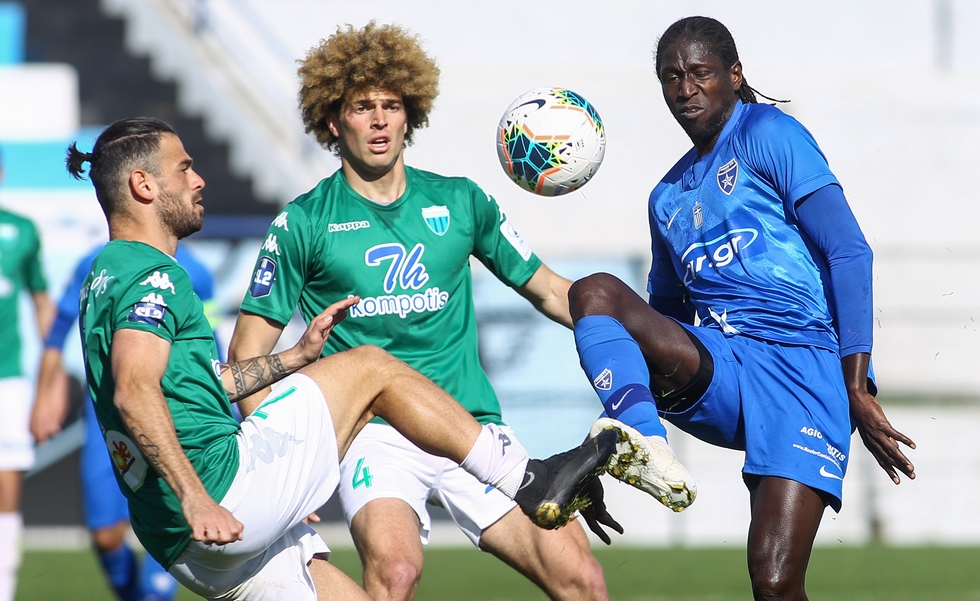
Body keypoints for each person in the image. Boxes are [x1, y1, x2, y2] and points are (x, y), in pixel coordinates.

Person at [66, 116, 614, 601]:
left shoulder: (106, 273)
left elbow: (191, 387)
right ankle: (531, 479)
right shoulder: (156, 276)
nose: (199, 179)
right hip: (218, 494)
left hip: (182, 544)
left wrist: (294, 358)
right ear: (143, 185)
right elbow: (133, 390)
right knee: (372, 366)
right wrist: (197, 499)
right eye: (184, 168)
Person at [227, 22, 623, 601]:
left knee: (581, 579)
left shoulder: (462, 200)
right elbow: (246, 356)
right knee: (395, 575)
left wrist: (637, 337)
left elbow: (550, 292)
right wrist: (279, 467)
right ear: (333, 122)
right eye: (362, 107)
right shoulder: (303, 222)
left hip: (471, 427)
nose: (379, 121)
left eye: (391, 106)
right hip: (373, 438)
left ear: (410, 115)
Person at [569, 16, 917, 601]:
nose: (685, 89)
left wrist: (856, 386)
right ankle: (643, 441)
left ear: (734, 74)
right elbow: (660, 324)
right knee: (594, 292)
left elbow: (849, 251)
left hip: (802, 369)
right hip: (725, 367)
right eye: (671, 77)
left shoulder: (770, 134)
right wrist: (602, 448)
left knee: (774, 583)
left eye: (699, 73)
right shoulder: (666, 197)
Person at [30, 241, 218, 601]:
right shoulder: (95, 263)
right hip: (107, 418)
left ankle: (155, 595)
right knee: (105, 535)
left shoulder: (196, 272)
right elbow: (59, 327)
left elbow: (213, 343)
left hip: (173, 416)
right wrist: (46, 392)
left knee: (171, 519)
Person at [0, 148, 56, 601]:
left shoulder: (21, 230)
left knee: (6, 488)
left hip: (8, 379)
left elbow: (41, 303)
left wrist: (51, 383)